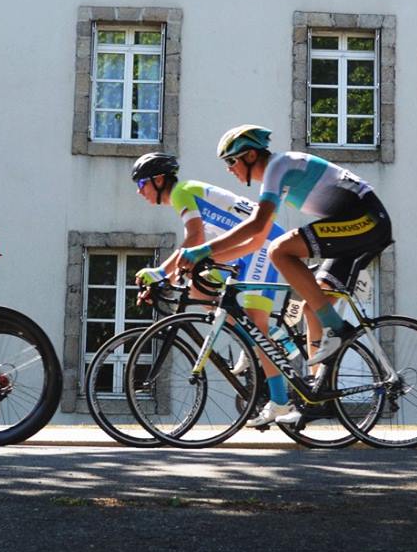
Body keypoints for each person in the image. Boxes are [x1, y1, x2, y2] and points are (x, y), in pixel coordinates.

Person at [185, 126, 392, 425]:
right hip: (353, 224)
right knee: (310, 305)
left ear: (251, 155)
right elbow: (256, 240)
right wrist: (211, 258)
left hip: (367, 221)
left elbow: (258, 228)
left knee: (281, 250)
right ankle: (318, 392)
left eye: (231, 161)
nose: (229, 169)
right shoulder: (277, 174)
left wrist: (202, 249)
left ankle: (338, 328)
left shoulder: (278, 167)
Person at [132, 150, 289, 428]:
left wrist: (159, 272)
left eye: (141, 184)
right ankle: (247, 338)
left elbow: (195, 238)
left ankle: (279, 400)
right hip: (245, 248)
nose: (139, 192)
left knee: (257, 327)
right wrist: (166, 280)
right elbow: (193, 253)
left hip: (262, 245)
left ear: (158, 180)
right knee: (198, 290)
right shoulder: (185, 194)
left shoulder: (181, 191)